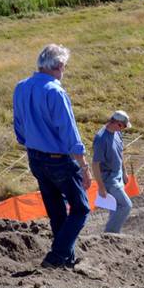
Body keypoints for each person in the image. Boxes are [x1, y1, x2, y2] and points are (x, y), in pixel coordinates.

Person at [13, 44, 91, 269]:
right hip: (58, 159)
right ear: (58, 66)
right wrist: (84, 166)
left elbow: (18, 124)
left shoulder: (21, 87)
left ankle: (66, 258)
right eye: (64, 67)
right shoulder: (55, 91)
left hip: (35, 157)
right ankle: (57, 256)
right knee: (80, 208)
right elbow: (69, 132)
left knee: (56, 209)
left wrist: (30, 142)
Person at [92, 110, 132, 233]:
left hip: (118, 175)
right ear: (118, 124)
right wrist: (101, 187)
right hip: (109, 179)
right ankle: (110, 234)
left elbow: (120, 153)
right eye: (124, 126)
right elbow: (95, 164)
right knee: (126, 205)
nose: (124, 129)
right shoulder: (101, 139)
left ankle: (112, 232)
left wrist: (124, 172)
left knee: (116, 206)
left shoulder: (117, 133)